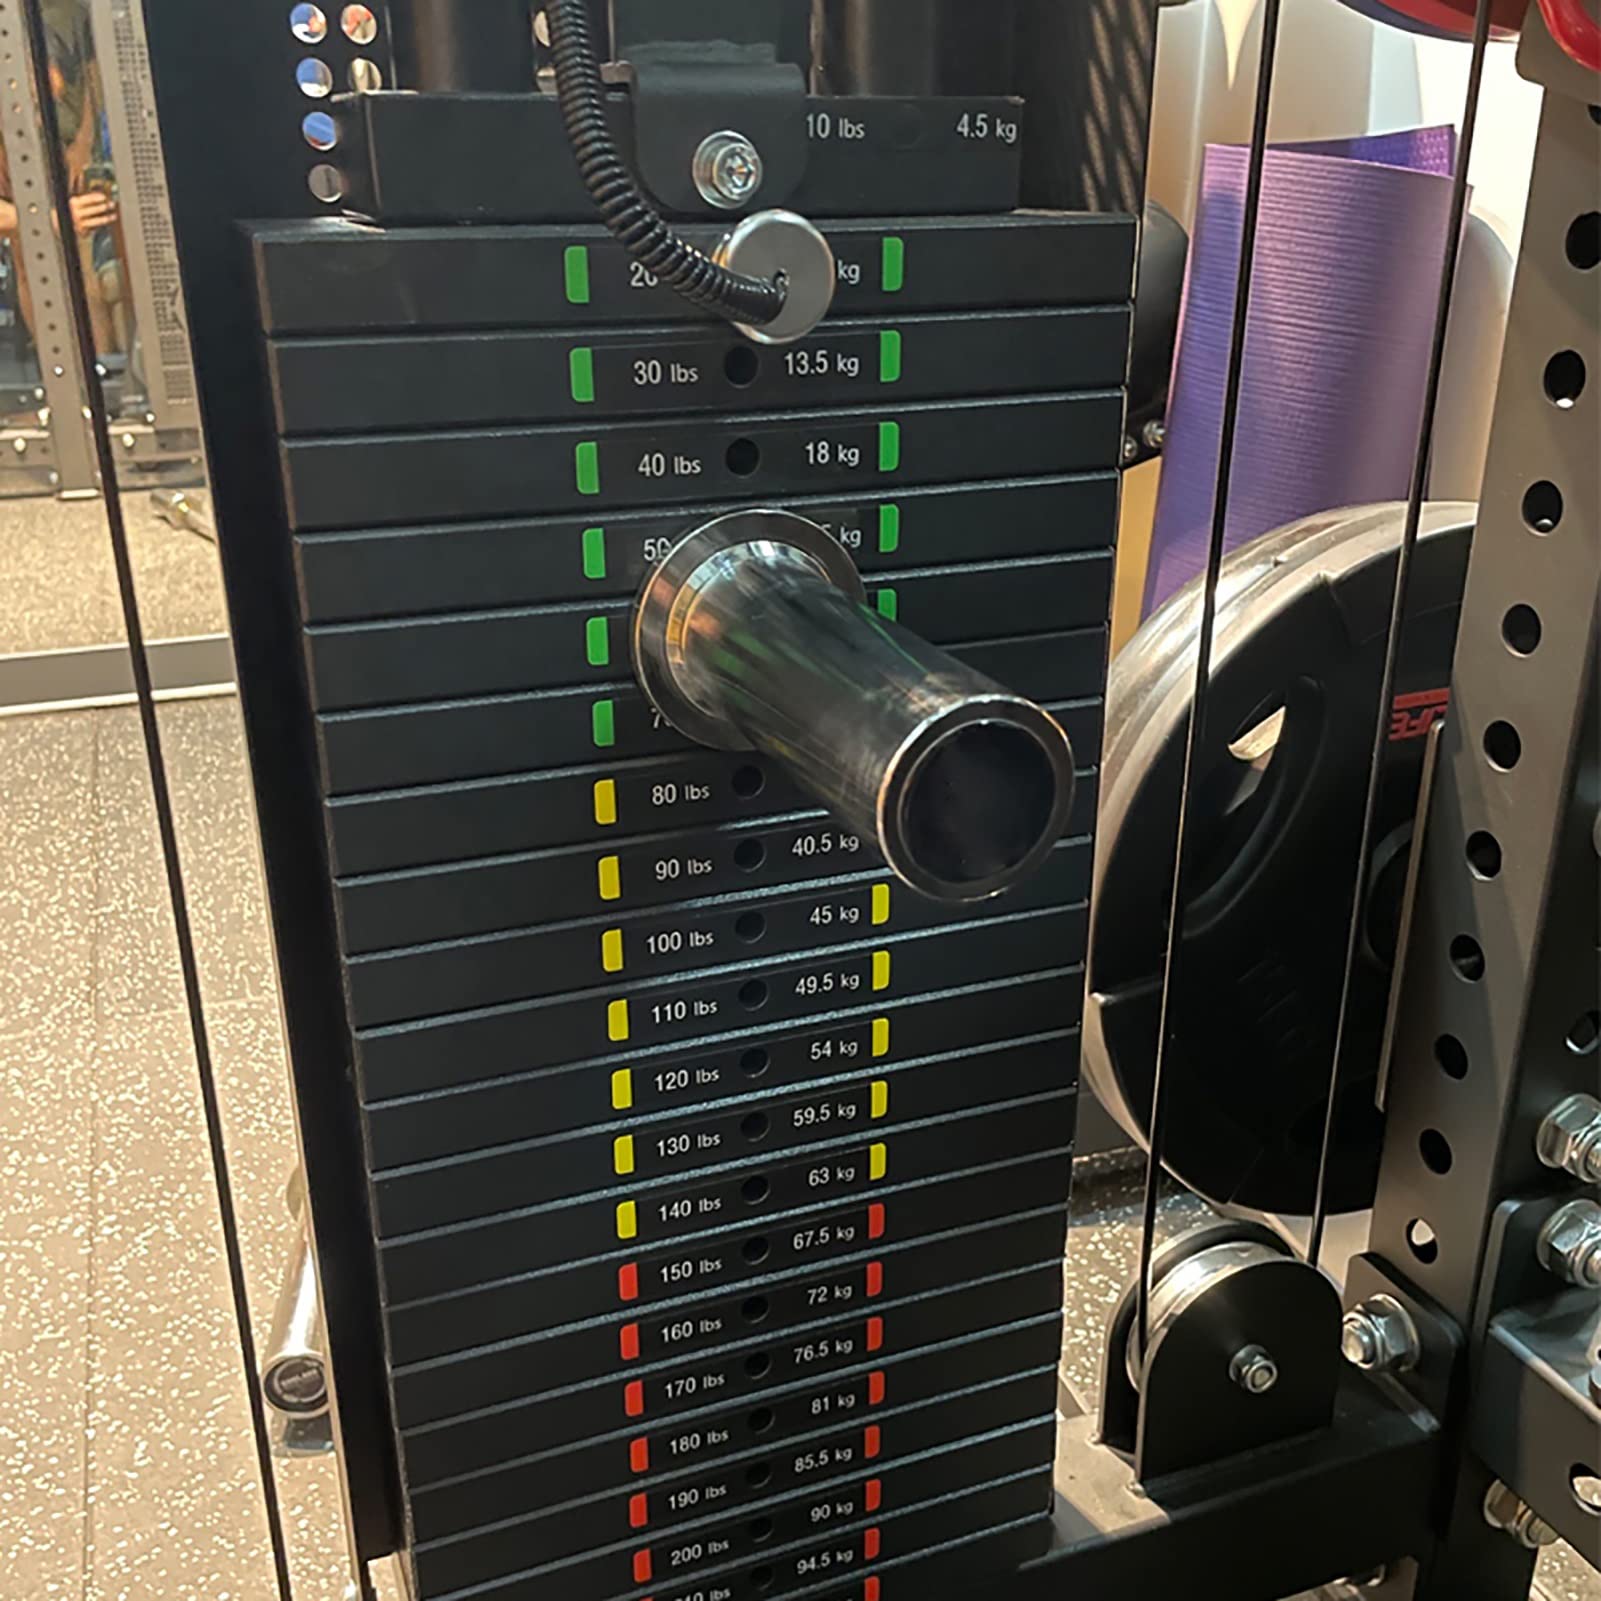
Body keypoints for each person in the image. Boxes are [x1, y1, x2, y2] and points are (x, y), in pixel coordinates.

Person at [0, 0, 125, 360]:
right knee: (31, 259)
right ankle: (63, 367)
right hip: (22, 156)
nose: (52, 84)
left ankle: (100, 364)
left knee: (86, 260)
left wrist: (83, 142)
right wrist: (50, 221)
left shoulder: (68, 14)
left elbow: (90, 71)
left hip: (68, 143)